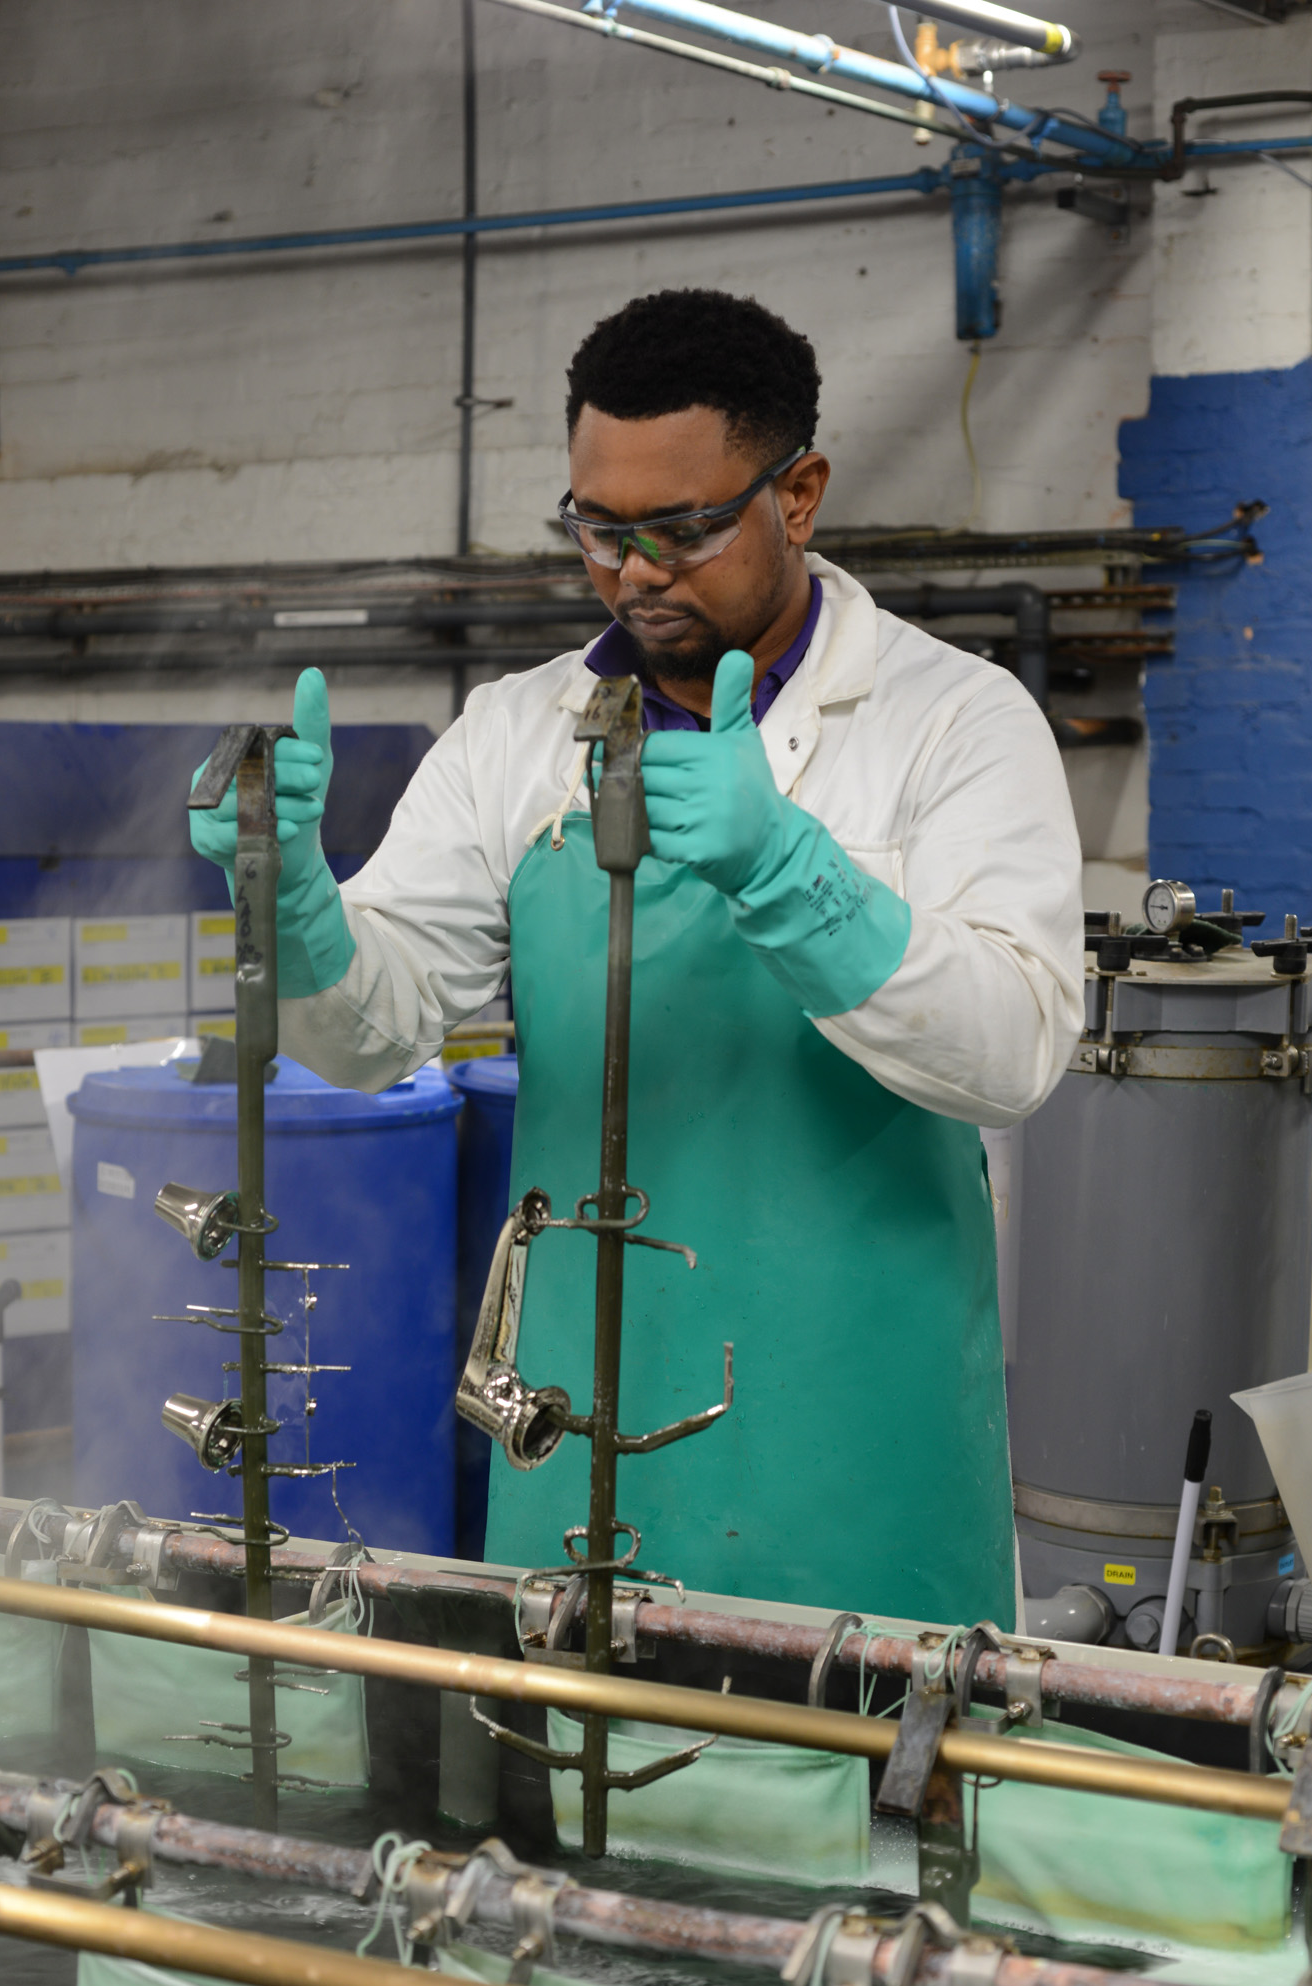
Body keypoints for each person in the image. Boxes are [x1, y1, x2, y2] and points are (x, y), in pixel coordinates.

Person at [190, 287, 1083, 1627]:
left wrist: (791, 873)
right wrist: (294, 902)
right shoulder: (514, 736)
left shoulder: (951, 722)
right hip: (576, 1415)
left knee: (868, 1808)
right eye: (598, 531)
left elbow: (1014, 1047)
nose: (635, 571)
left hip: (853, 1447)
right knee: (569, 1807)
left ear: (802, 494)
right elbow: (368, 1036)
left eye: (684, 527)